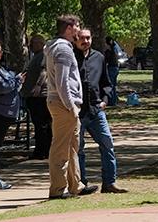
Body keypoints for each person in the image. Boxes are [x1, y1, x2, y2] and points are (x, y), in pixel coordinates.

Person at [45, 15, 98, 199]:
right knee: (61, 147)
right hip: (63, 104)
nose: (78, 29)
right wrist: (70, 106)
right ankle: (58, 190)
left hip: (66, 103)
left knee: (72, 146)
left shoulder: (60, 47)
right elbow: (62, 82)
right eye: (77, 26)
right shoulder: (63, 49)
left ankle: (76, 185)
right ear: (68, 28)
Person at [73, 29, 128, 194]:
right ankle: (82, 184)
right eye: (82, 38)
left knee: (107, 144)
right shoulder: (71, 58)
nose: (85, 41)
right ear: (76, 40)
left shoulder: (99, 57)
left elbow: (106, 82)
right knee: (79, 149)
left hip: (97, 110)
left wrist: (104, 101)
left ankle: (109, 183)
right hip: (78, 111)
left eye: (88, 38)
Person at [0, 37, 22, 189]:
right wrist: (16, 81)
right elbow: (1, 86)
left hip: (2, 114)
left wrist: (14, 81)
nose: (1, 52)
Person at [20, 34, 52, 160]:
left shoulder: (43, 55)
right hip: (35, 95)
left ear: (39, 43)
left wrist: (37, 86)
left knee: (41, 125)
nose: (30, 46)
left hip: (39, 96)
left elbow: (44, 72)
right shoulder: (37, 56)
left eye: (32, 43)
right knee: (41, 125)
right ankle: (44, 150)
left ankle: (42, 151)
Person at [103, 36, 121, 107]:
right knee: (113, 85)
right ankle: (114, 100)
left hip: (112, 68)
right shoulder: (115, 49)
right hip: (115, 68)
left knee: (111, 85)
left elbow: (106, 60)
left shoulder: (110, 51)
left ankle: (112, 101)